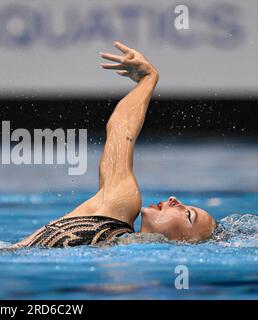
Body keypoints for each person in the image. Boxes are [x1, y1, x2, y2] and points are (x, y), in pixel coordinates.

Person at [13, 42, 217, 248]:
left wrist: (149, 77)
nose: (175, 200)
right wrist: (149, 79)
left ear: (183, 241)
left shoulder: (127, 261)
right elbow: (121, 128)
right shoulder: (118, 208)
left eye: (188, 215)